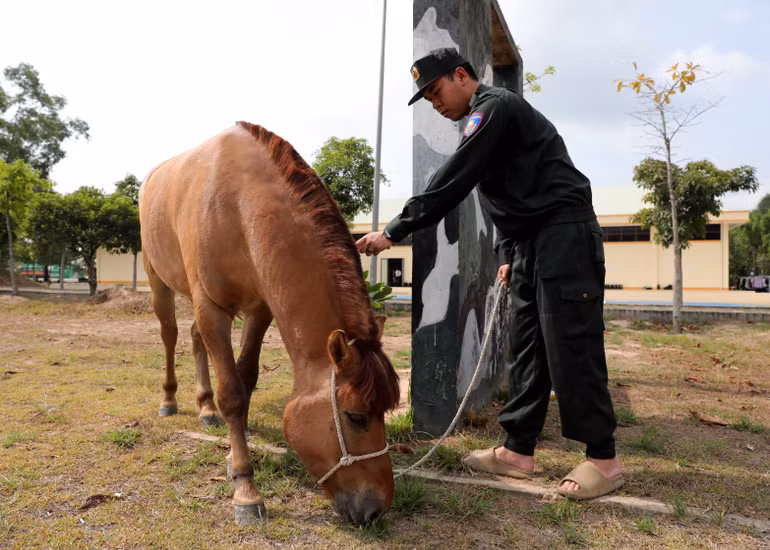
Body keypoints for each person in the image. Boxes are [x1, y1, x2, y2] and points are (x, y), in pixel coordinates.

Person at [355, 48, 624, 499]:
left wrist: (395, 230)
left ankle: (604, 459)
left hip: (564, 236)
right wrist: (507, 250)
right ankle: (518, 451)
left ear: (461, 76)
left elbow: (455, 179)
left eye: (436, 91)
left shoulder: (493, 108)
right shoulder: (483, 123)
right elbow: (497, 195)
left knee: (570, 347)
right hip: (530, 243)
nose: (434, 103)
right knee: (527, 349)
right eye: (425, 98)